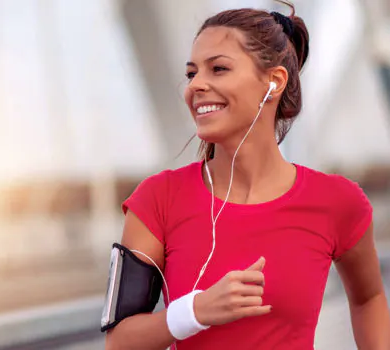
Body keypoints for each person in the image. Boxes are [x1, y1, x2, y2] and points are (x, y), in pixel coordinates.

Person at [103, 3, 390, 350]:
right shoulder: (157, 199)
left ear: (274, 82)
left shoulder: (338, 202)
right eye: (192, 73)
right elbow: (119, 342)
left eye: (218, 69)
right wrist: (194, 311)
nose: (196, 86)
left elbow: (368, 298)